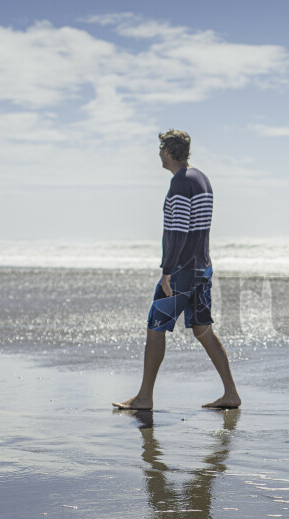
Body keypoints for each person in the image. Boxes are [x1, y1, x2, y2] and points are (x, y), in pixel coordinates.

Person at [113, 130, 241, 411]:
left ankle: (144, 397)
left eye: (161, 149)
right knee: (203, 329)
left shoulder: (181, 183)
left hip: (182, 270)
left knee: (155, 327)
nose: (159, 154)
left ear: (168, 152)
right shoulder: (201, 178)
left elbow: (180, 230)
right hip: (202, 267)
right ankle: (231, 393)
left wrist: (168, 270)